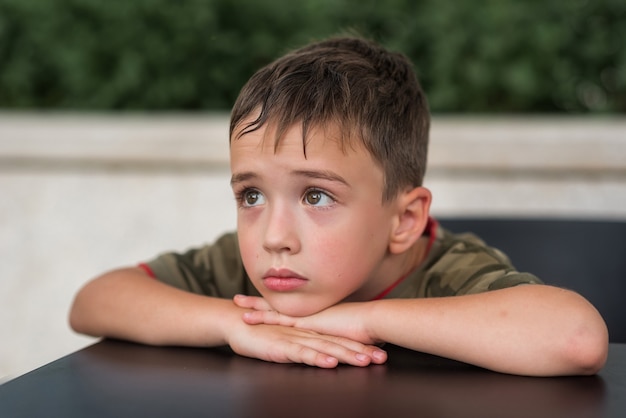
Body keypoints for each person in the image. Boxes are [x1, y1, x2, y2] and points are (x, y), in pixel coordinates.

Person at [69, 36, 608, 376]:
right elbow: (94, 301)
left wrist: (365, 320)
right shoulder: (252, 267)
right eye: (251, 195)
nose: (274, 235)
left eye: (316, 196)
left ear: (404, 220)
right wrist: (230, 324)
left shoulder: (449, 271)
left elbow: (576, 339)